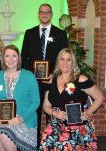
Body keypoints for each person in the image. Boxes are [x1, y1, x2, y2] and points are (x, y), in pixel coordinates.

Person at [21, 3, 69, 145]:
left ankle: (51, 142)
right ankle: (34, 143)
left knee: (51, 114)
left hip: (53, 81)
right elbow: (24, 57)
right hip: (33, 82)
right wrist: (33, 74)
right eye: (42, 12)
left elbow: (64, 57)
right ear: (38, 14)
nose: (44, 14)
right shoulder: (29, 33)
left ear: (51, 14)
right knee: (35, 113)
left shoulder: (60, 34)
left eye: (47, 12)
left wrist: (54, 74)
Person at [39, 48, 104, 151]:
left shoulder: (81, 79)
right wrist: (55, 113)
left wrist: (88, 113)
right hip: (58, 121)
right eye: (62, 59)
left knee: (66, 144)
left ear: (73, 62)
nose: (65, 63)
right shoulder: (52, 81)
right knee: (47, 137)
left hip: (79, 122)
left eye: (68, 60)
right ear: (58, 62)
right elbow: (46, 106)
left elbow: (99, 97)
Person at [0, 45, 40, 151]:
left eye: (14, 56)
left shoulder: (29, 76)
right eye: (7, 56)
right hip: (3, 119)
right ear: (3, 58)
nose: (10, 59)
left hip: (24, 120)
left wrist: (21, 118)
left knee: (5, 135)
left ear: (18, 58)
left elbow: (36, 102)